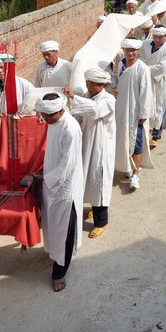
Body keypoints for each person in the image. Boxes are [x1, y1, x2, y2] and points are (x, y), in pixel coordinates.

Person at [34, 93, 84, 292]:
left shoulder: (70, 128)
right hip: (52, 183)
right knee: (54, 224)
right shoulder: (54, 123)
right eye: (43, 114)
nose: (44, 119)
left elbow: (68, 166)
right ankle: (55, 253)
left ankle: (59, 272)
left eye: (48, 115)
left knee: (65, 228)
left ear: (59, 110)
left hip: (65, 188)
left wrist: (46, 178)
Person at [64, 68, 115, 239]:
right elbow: (79, 114)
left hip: (100, 147)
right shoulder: (86, 96)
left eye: (91, 84)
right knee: (86, 179)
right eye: (87, 83)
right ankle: (93, 207)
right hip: (85, 142)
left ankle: (102, 222)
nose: (87, 86)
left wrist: (73, 97)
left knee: (98, 181)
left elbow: (95, 110)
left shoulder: (108, 99)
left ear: (101, 85)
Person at [114, 40, 154, 192]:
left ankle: (135, 173)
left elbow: (145, 91)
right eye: (127, 50)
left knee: (136, 143)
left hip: (135, 111)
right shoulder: (121, 65)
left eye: (133, 50)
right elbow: (118, 83)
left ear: (138, 52)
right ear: (123, 50)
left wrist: (144, 113)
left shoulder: (142, 68)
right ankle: (127, 167)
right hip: (121, 109)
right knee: (123, 140)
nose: (130, 53)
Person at [140, 26, 166, 148]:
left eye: (160, 37)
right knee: (145, 104)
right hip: (146, 80)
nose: (157, 39)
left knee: (159, 107)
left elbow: (162, 67)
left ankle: (156, 134)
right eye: (155, 37)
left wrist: (143, 69)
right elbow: (139, 59)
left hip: (160, 82)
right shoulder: (145, 44)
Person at [0, 55, 33, 123]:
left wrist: (24, 112)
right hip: (3, 124)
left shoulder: (23, 84)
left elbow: (33, 101)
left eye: (1, 67)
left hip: (22, 122)